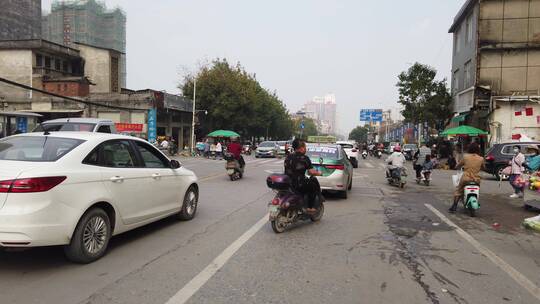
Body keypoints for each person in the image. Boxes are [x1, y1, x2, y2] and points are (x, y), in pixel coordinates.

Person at [284, 139, 323, 214]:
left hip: (288, 183)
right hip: (298, 184)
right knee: (313, 186)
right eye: (305, 147)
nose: (306, 149)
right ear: (301, 148)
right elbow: (311, 171)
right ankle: (310, 207)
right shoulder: (304, 158)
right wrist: (319, 173)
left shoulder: (288, 156)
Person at [449, 143, 484, 213]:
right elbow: (483, 167)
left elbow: (458, 165)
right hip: (476, 179)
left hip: (466, 178)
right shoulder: (481, 158)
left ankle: (454, 206)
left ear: (469, 149)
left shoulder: (465, 157)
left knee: (458, 191)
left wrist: (456, 167)